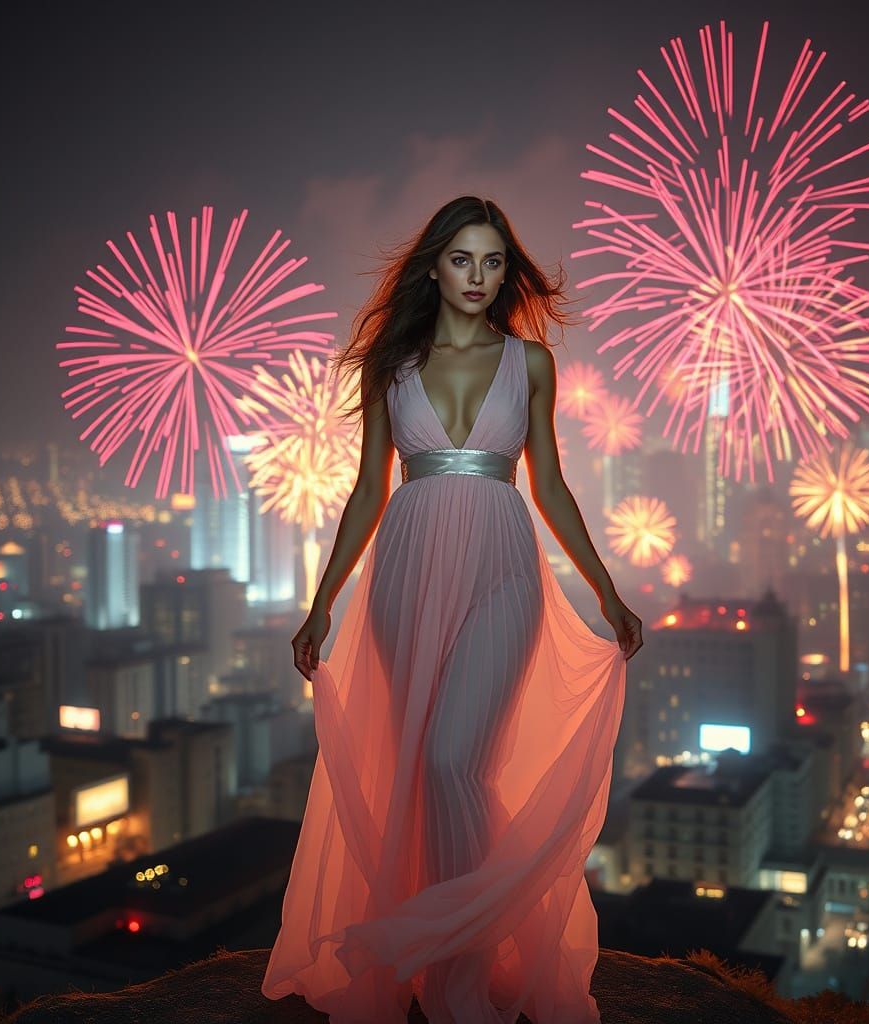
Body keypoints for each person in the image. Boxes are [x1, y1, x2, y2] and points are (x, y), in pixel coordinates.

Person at [261, 195, 643, 1023]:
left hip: (506, 568)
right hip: (405, 569)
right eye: (463, 259)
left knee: (453, 762)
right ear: (434, 266)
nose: (479, 277)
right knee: (422, 773)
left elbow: (552, 487)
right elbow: (367, 491)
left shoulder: (532, 362)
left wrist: (606, 592)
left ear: (508, 271)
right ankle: (445, 968)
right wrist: (322, 605)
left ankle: (461, 981)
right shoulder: (389, 367)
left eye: (495, 261)